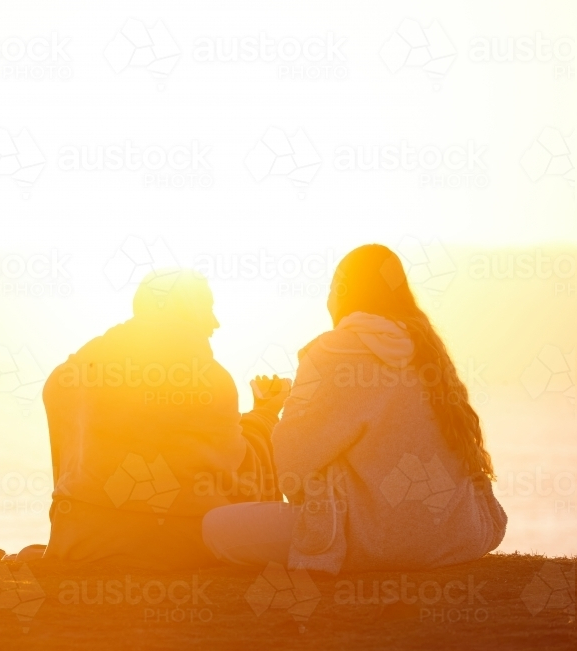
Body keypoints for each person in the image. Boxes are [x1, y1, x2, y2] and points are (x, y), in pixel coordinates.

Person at [202, 245, 507, 574]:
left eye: (332, 289)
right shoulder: (428, 351)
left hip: (366, 540)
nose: (329, 299)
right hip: (452, 537)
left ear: (344, 293)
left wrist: (273, 409)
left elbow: (292, 459)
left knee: (215, 527)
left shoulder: (331, 351)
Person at [41, 269, 282, 569]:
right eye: (207, 307)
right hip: (180, 545)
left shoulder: (68, 374)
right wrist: (267, 415)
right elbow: (239, 478)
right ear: (185, 307)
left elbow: (75, 466)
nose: (215, 322)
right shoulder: (210, 380)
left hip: (80, 541)